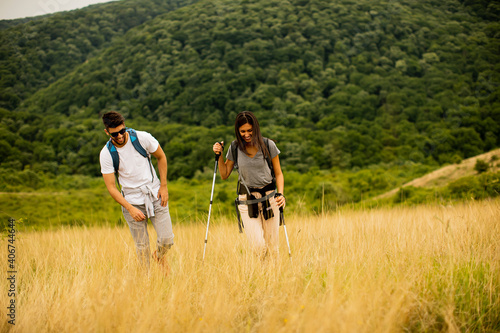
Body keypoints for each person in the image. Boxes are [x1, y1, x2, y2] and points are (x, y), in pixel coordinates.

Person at [99, 111, 174, 272]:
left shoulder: (142, 138)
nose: (119, 136)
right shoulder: (106, 154)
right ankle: (145, 285)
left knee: (167, 239)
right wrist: (130, 208)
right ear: (107, 132)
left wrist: (164, 186)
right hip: (131, 202)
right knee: (142, 247)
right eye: (114, 134)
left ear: (125, 126)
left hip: (155, 195)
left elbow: (161, 157)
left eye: (122, 131)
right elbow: (111, 187)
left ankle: (159, 256)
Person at [212, 111, 286, 257]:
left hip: (270, 198)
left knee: (272, 248)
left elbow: (278, 173)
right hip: (247, 201)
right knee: (258, 246)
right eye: (242, 131)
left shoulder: (268, 145)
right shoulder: (234, 148)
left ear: (256, 129)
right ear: (238, 131)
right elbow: (224, 174)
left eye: (250, 130)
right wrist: (219, 155)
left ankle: (272, 279)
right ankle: (261, 277)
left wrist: (281, 194)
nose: (246, 134)